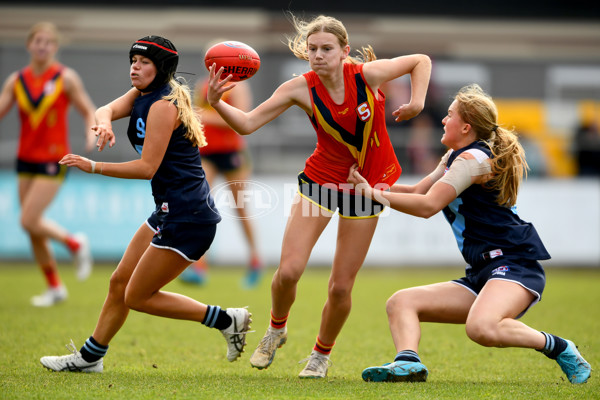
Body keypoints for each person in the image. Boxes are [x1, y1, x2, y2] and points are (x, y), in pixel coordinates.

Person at [206, 14, 431, 378]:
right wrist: (217, 102)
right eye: (312, 49)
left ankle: (320, 356)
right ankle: (276, 329)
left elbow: (421, 60)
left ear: (345, 51)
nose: (318, 55)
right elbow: (247, 124)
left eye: (327, 49)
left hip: (367, 187)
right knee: (289, 271)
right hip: (322, 181)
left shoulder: (366, 75)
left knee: (341, 287)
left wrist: (417, 102)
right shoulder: (299, 87)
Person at [348, 84, 592, 384]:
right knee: (401, 302)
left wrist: (372, 194)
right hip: (484, 272)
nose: (442, 120)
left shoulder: (473, 160)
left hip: (515, 266)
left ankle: (559, 346)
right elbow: (415, 190)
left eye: (449, 115)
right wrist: (365, 185)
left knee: (481, 329)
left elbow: (427, 206)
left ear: (466, 126)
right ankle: (407, 364)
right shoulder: (455, 155)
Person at [39, 35, 251, 373]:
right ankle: (91, 358)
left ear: (162, 68)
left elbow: (146, 168)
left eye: (143, 63)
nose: (135, 68)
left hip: (189, 216)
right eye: (132, 62)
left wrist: (93, 166)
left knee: (136, 296)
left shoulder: (164, 105)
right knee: (118, 283)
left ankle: (226, 319)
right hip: (168, 209)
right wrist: (104, 122)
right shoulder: (142, 94)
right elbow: (105, 109)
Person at [0, 21, 94, 307]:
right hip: (25, 158)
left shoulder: (66, 78)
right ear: (29, 45)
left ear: (55, 47)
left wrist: (93, 131)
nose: (42, 46)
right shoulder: (16, 80)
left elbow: (88, 110)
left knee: (28, 219)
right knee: (32, 226)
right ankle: (54, 287)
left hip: (54, 159)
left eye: (47, 42)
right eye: (37, 41)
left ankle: (75, 243)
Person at [179, 75, 264, 289]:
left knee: (241, 208)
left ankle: (255, 261)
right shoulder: (203, 84)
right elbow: (197, 118)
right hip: (207, 152)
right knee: (200, 205)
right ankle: (198, 266)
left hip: (232, 152)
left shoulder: (239, 86)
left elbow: (241, 119)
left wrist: (204, 115)